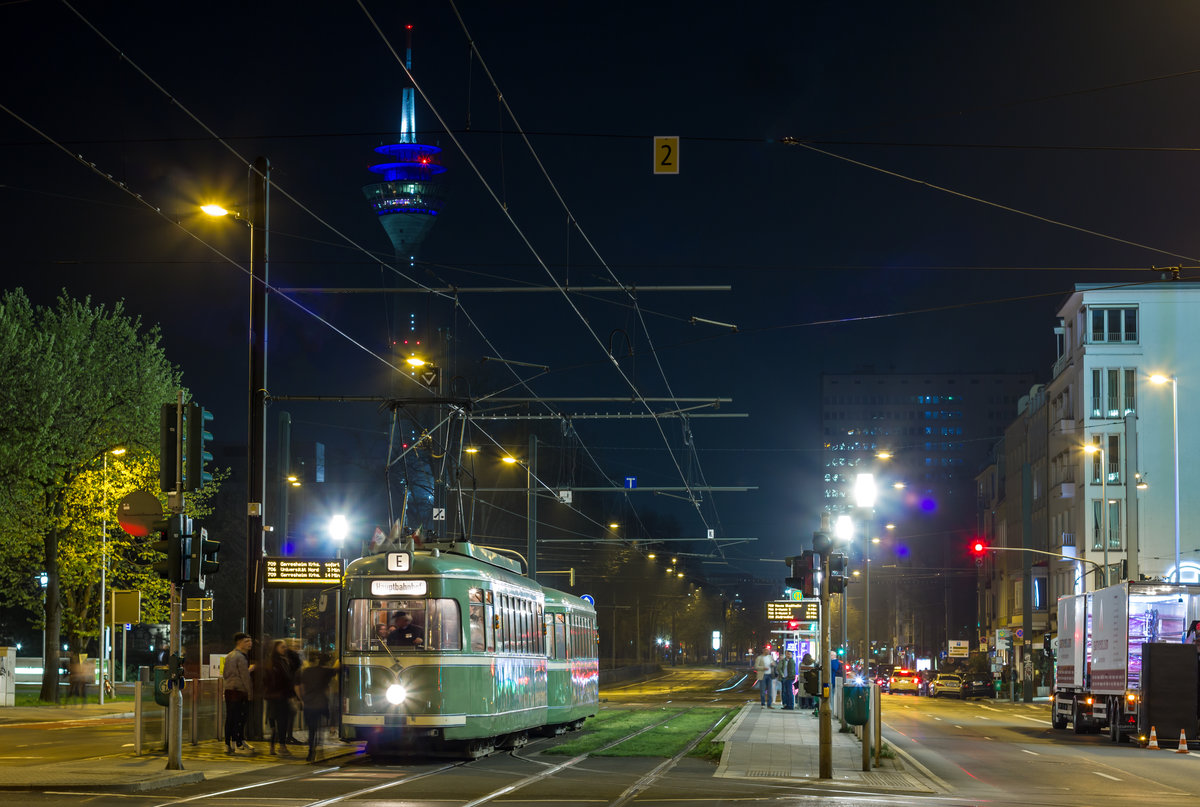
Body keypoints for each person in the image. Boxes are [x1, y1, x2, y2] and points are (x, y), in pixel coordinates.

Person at [295, 651, 337, 762]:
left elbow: (300, 686)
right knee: (320, 728)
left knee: (312, 729)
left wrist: (302, 699)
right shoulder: (326, 671)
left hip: (309, 703)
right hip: (321, 703)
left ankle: (310, 751)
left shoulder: (306, 672)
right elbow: (338, 669)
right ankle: (319, 749)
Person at [223, 633, 256, 755]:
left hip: (230, 689)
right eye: (247, 641)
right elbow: (244, 676)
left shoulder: (230, 655)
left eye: (250, 641)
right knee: (239, 717)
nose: (250, 643)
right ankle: (238, 743)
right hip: (239, 691)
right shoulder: (240, 657)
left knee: (231, 717)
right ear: (239, 642)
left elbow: (226, 674)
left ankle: (229, 744)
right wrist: (249, 692)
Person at [263, 640, 294, 756]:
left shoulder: (282, 661)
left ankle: (276, 746)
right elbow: (284, 679)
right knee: (280, 722)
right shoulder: (276, 663)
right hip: (278, 696)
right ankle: (280, 745)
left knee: (276, 721)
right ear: (275, 648)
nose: (285, 649)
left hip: (276, 695)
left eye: (285, 647)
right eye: (282, 647)